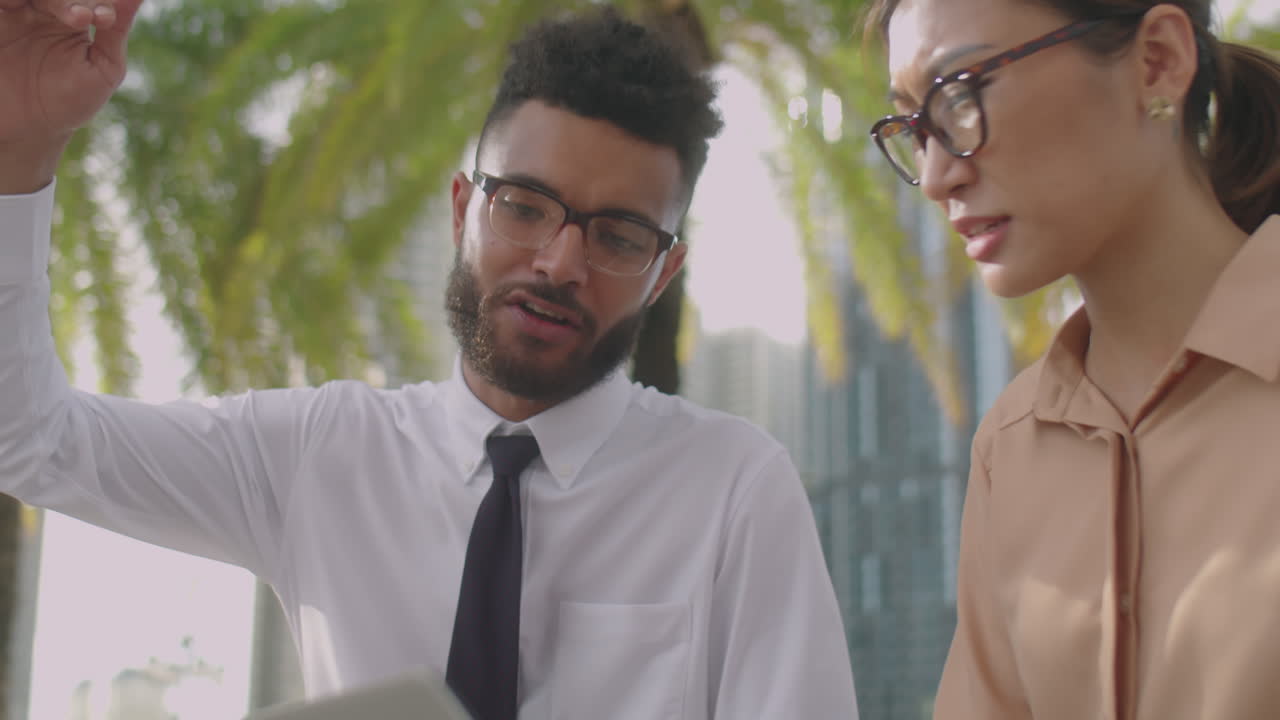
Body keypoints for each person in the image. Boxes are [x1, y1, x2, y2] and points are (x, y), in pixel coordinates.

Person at [0, 1, 860, 719]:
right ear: (462, 208)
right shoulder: (315, 456)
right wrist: (18, 151)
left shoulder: (735, 487)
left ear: (664, 271)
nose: (560, 262)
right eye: (524, 206)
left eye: (618, 235)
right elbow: (28, 438)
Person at [864, 0, 1280, 717]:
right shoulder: (1011, 446)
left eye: (960, 95)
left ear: (1158, 61)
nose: (935, 178)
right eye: (914, 127)